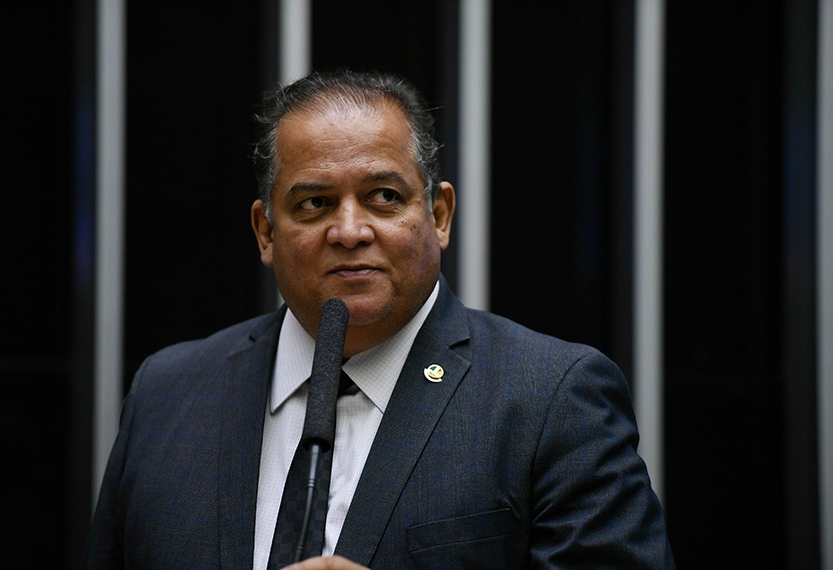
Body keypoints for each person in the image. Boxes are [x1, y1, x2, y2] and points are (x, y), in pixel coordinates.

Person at [83, 68, 676, 569]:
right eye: (315, 203)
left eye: (384, 197)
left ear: (439, 215)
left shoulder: (550, 397)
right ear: (266, 231)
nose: (349, 231)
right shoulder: (168, 394)